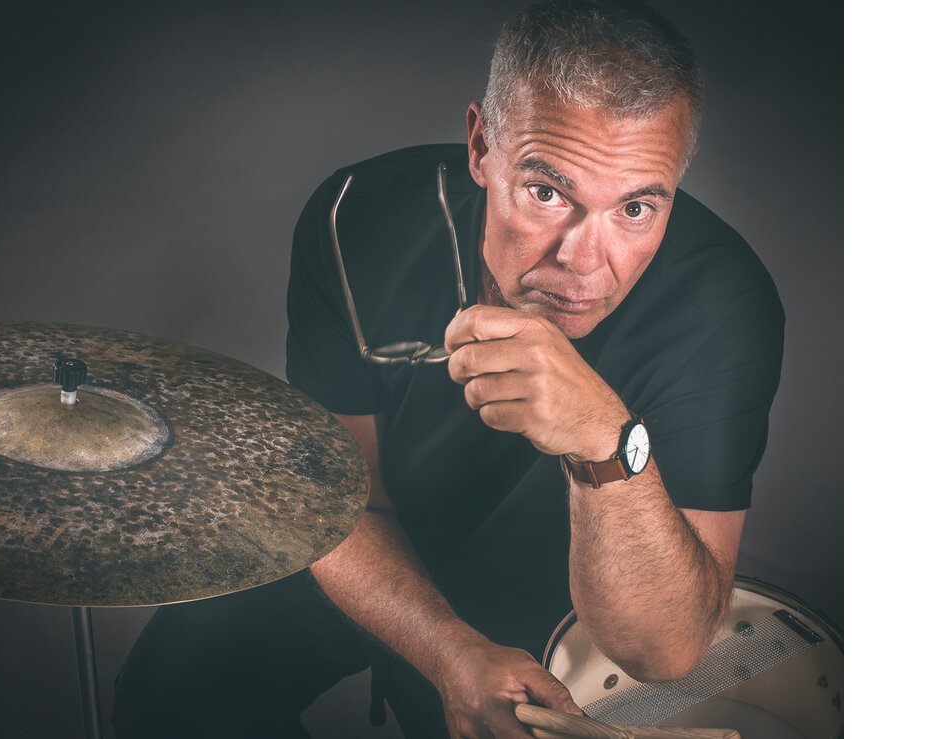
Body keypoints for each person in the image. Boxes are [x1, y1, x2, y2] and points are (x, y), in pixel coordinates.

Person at [112, 1, 784, 736]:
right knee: (172, 685)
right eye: (547, 193)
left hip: (560, 591)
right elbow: (338, 501)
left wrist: (603, 437)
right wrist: (443, 648)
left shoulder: (723, 304)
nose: (584, 262)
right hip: (372, 536)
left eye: (635, 209)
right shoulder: (357, 219)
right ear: (481, 145)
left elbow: (664, 648)